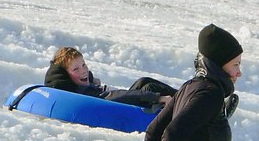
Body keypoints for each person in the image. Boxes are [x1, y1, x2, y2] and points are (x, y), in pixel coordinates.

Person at [45, 46, 177, 110]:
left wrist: (91, 81)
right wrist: (158, 98)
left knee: (143, 81)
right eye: (76, 69)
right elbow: (116, 96)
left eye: (84, 65)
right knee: (150, 88)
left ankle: (183, 97)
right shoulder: (84, 93)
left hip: (120, 104)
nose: (84, 70)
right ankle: (184, 101)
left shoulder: (77, 86)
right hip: (124, 110)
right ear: (65, 76)